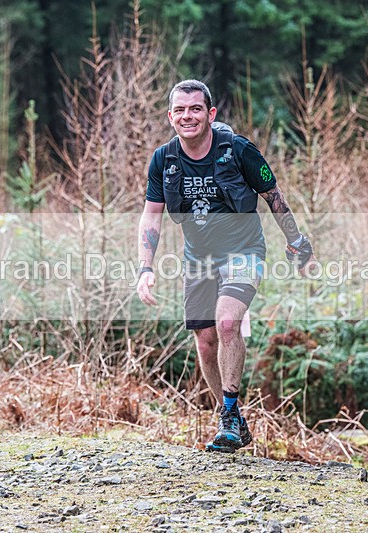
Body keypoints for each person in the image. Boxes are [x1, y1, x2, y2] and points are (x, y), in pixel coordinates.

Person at [136, 79, 314, 452]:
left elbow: (274, 198)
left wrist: (298, 243)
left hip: (244, 250)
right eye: (181, 110)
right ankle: (231, 419)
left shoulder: (237, 150)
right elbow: (151, 218)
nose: (188, 116)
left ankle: (229, 414)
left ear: (211, 113)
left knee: (227, 322)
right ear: (171, 117)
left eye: (196, 108)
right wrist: (145, 267)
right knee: (204, 340)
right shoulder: (163, 160)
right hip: (198, 257)